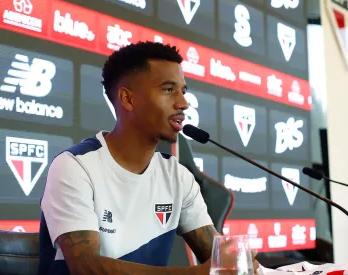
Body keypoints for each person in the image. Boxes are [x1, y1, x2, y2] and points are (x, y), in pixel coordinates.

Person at [38, 41, 260, 275]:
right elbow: (86, 267)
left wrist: (238, 262)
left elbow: (217, 257)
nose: (183, 103)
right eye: (168, 89)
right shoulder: (75, 166)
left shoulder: (177, 176)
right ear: (128, 99)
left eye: (183, 91)